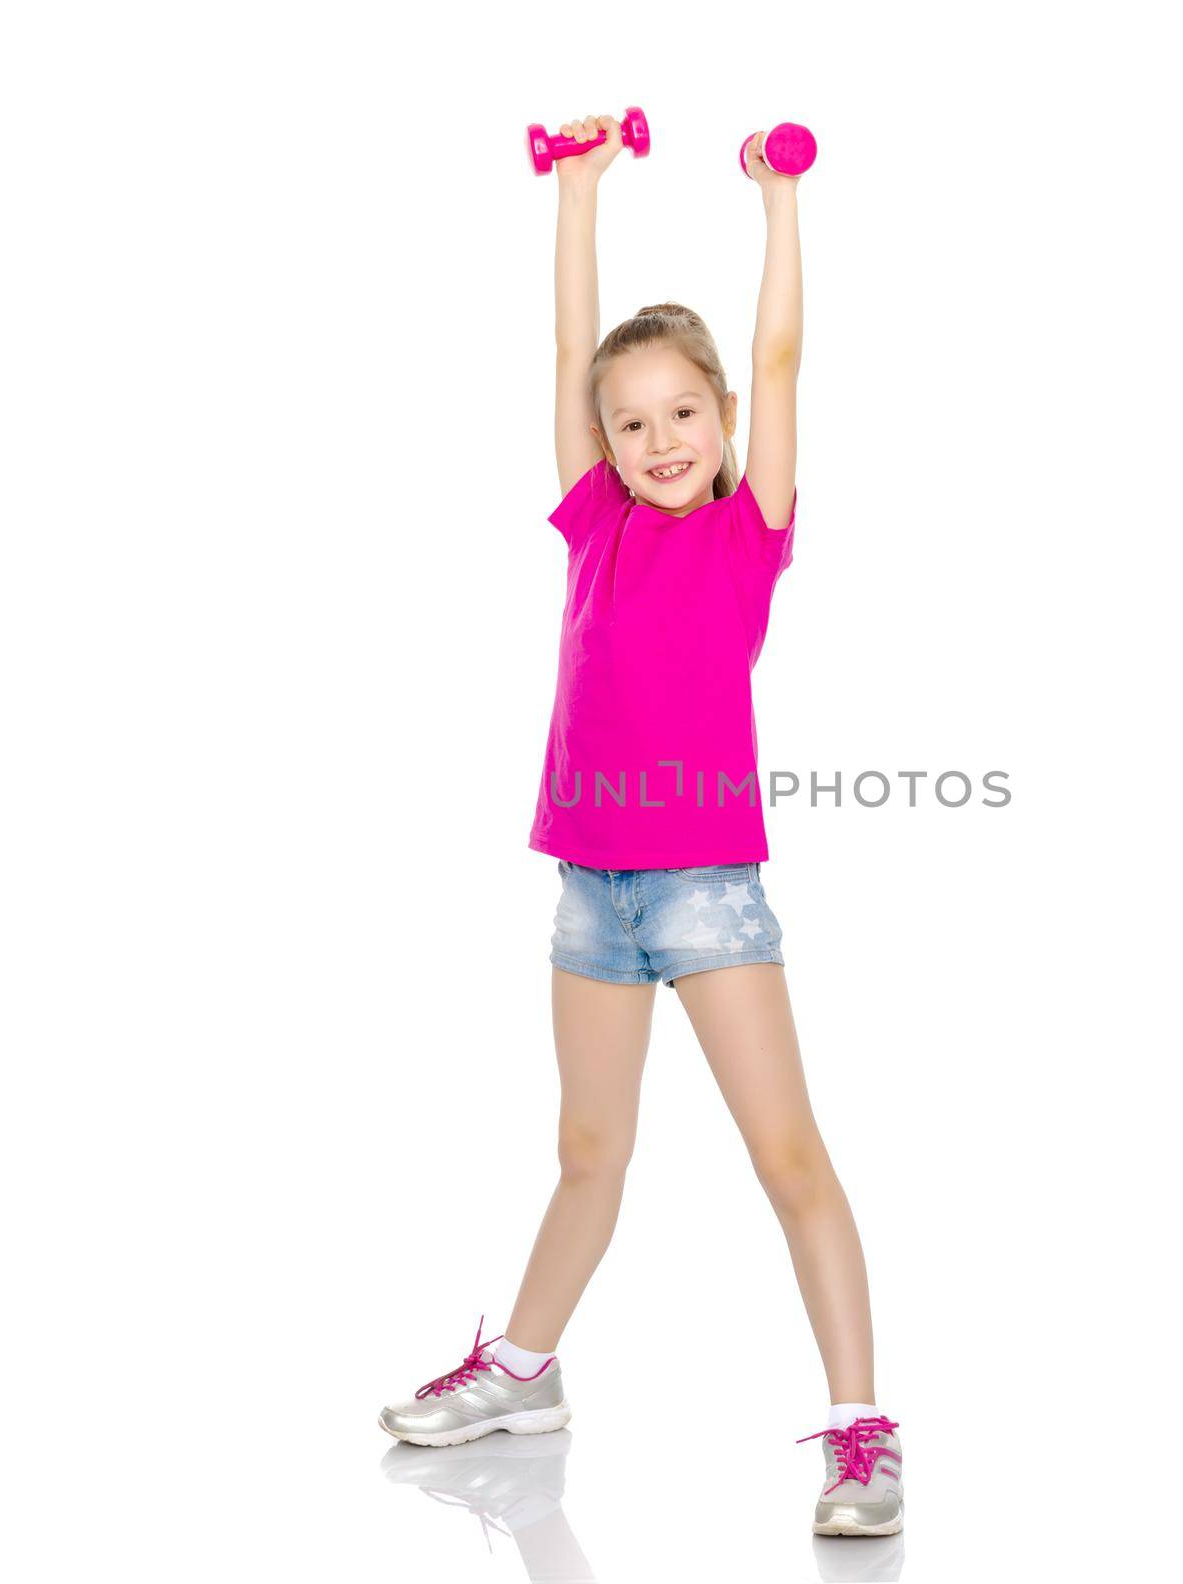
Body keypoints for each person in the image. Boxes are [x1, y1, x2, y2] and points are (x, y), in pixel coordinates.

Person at [377, 115, 902, 1538]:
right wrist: (577, 190)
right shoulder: (594, 522)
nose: (657, 439)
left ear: (724, 420)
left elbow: (784, 355)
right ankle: (526, 1374)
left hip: (705, 894)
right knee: (589, 1152)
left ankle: (864, 1435)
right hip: (590, 892)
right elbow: (566, 353)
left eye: (684, 412)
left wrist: (780, 205)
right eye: (631, 421)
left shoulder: (748, 529)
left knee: (788, 1156)